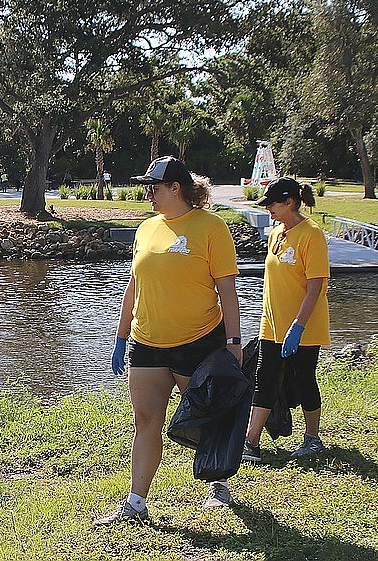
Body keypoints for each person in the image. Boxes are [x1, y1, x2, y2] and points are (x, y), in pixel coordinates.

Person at [95, 156, 243, 526]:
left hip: (198, 341)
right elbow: (135, 284)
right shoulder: (147, 228)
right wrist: (120, 335)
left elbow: (227, 287)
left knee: (207, 416)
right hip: (147, 343)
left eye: (153, 187)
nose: (148, 193)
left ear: (175, 188)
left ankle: (218, 484)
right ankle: (135, 503)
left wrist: (234, 342)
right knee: (145, 421)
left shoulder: (211, 227)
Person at [243, 177, 330, 463]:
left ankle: (312, 439)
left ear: (290, 202)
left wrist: (298, 325)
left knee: (304, 378)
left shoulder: (311, 234)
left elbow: (315, 287)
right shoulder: (276, 234)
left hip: (303, 326)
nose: (268, 208)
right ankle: (251, 441)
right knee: (264, 379)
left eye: (272, 203)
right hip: (272, 324)